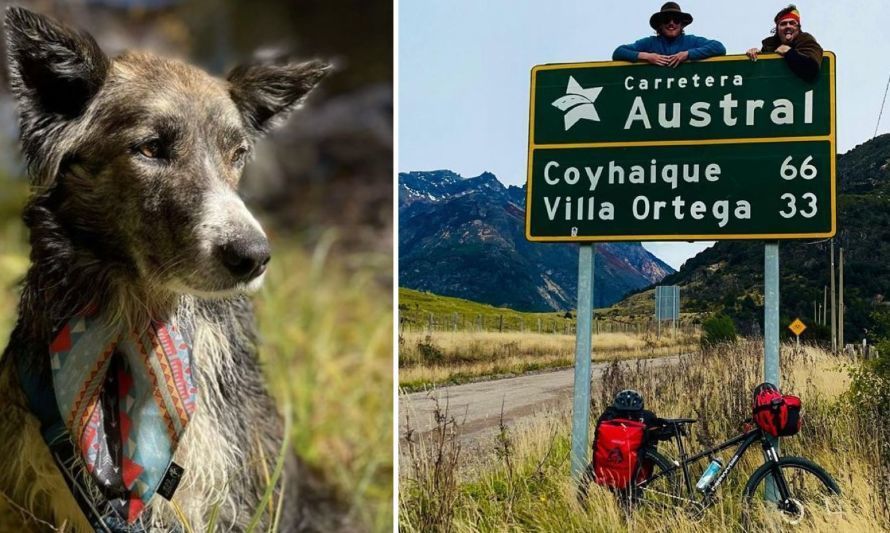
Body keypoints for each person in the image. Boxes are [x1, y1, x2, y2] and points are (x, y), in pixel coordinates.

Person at [612, 2, 726, 68]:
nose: (671, 23)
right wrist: (648, 57)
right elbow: (619, 52)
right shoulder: (650, 43)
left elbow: (719, 47)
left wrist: (687, 54)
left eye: (676, 20)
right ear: (660, 25)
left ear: (681, 25)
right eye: (667, 20)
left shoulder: (691, 41)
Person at [746, 5, 823, 82]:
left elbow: (811, 72)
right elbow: (761, 75)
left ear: (798, 28)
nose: (788, 26)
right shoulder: (769, 45)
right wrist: (757, 56)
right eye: (783, 24)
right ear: (777, 29)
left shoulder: (806, 40)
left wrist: (789, 52)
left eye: (792, 23)